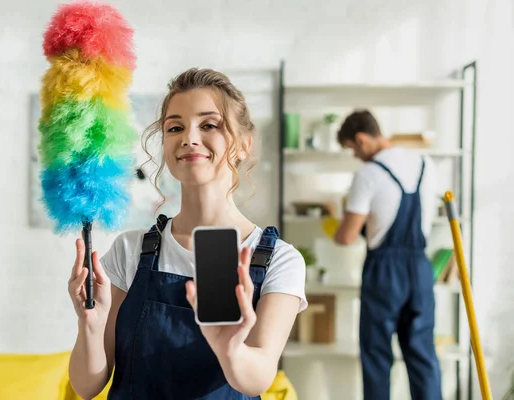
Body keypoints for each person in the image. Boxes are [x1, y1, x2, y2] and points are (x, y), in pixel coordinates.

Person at [67, 68, 308, 400]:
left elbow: (256, 381)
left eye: (209, 125)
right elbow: (86, 385)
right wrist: (90, 326)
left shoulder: (277, 260)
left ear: (244, 146)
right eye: (175, 127)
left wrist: (229, 348)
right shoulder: (131, 250)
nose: (189, 138)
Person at [333, 110, 442, 400]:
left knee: (377, 356)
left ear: (361, 139)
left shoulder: (368, 174)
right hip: (420, 268)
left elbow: (345, 236)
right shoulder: (425, 163)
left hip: (384, 273)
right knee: (423, 355)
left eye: (352, 149)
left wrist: (335, 221)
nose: (355, 155)